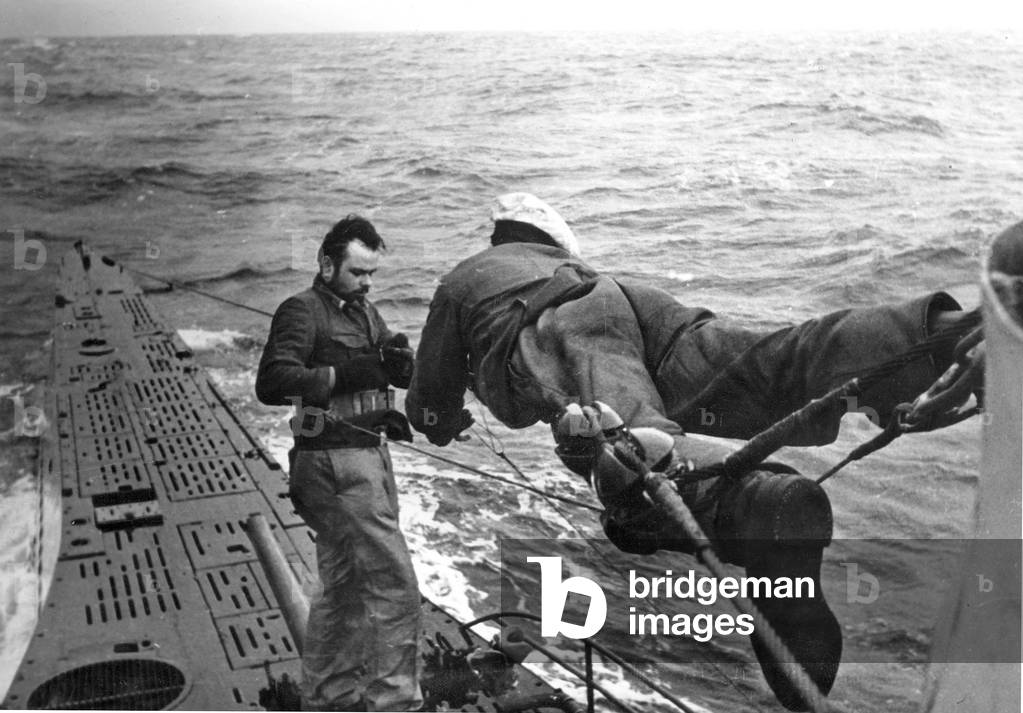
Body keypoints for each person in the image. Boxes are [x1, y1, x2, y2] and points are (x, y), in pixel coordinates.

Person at [405, 193, 980, 711]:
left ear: (498, 236)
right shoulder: (566, 261)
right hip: (632, 302)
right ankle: (938, 338)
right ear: (551, 240)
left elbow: (426, 405)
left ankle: (754, 506)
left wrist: (443, 417)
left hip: (560, 318)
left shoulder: (468, 278)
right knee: (763, 361)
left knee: (627, 440)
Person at [256, 215, 422, 712]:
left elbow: (384, 367)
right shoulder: (301, 311)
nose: (367, 283)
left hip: (366, 456)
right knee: (395, 589)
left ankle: (328, 698)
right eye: (357, 272)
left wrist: (398, 363)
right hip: (334, 464)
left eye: (372, 273)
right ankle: (395, 704)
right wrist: (347, 374)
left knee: (344, 590)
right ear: (327, 264)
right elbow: (272, 381)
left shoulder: (363, 312)